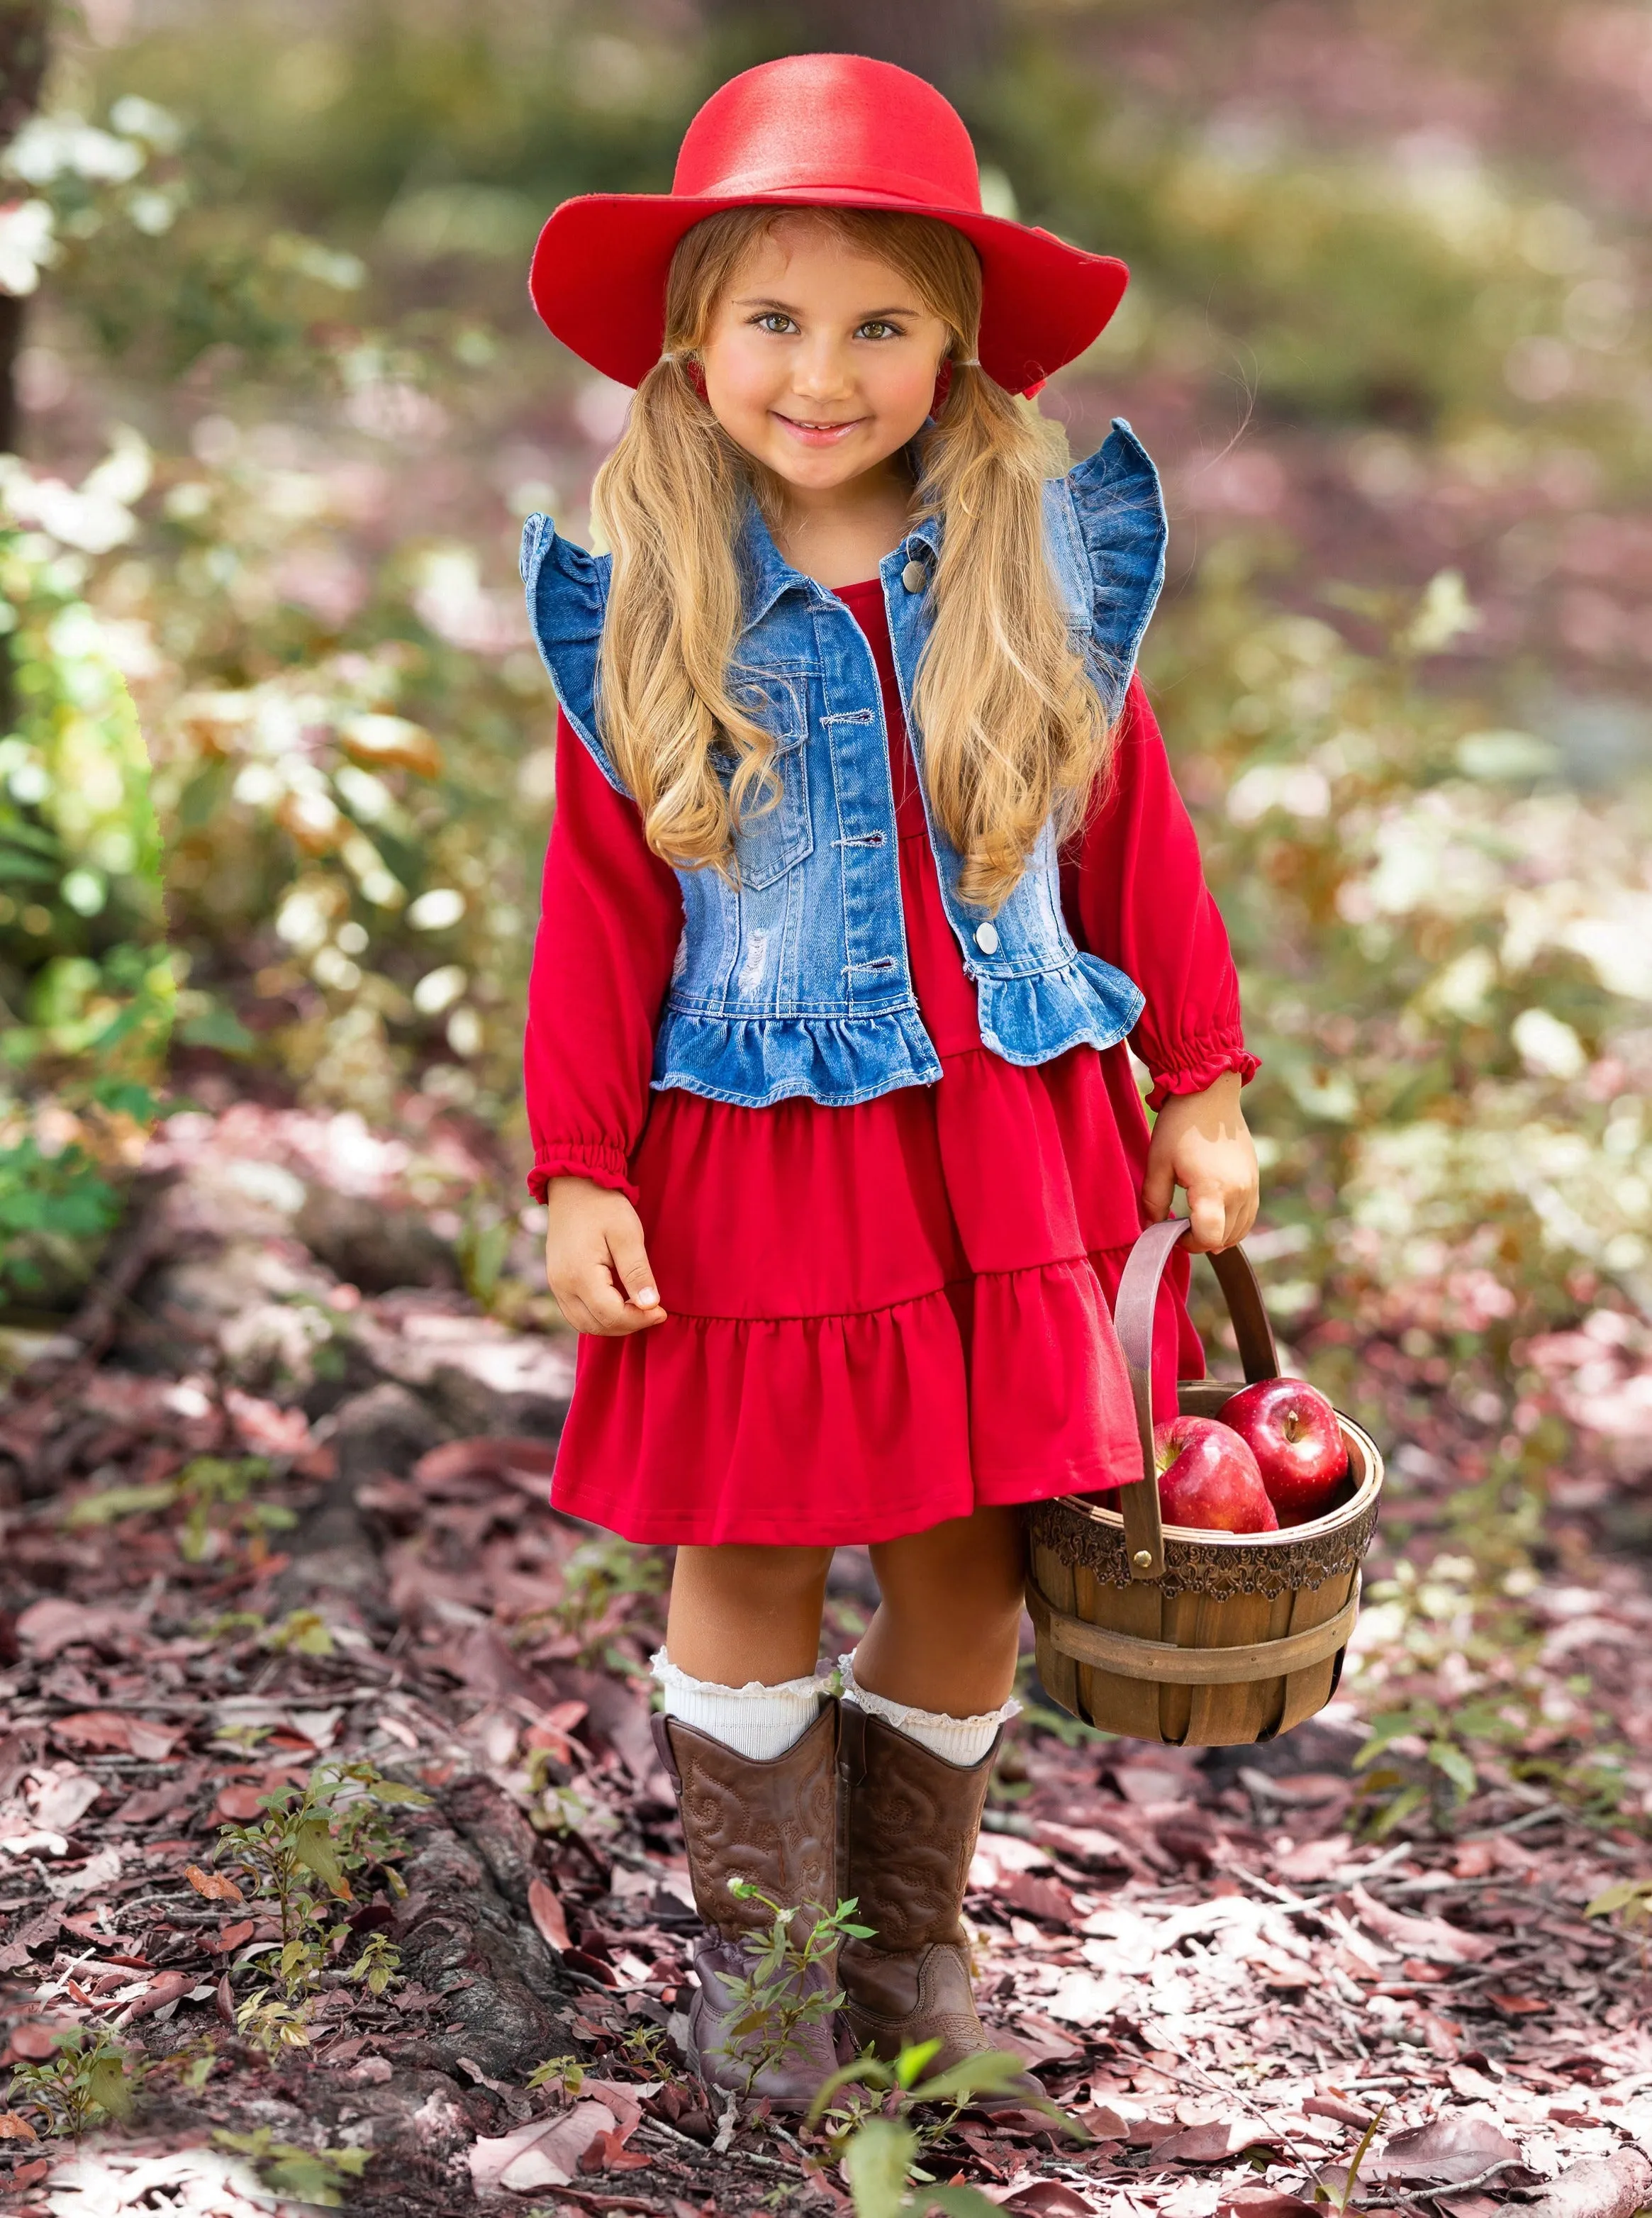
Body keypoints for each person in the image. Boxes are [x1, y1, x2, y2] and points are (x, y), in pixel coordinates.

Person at [519, 52, 1259, 2107]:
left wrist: (1197, 1079)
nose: (820, 370)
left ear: (954, 351)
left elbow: (1136, 838)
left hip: (1011, 1144)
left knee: (969, 1558)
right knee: (750, 1548)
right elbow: (600, 914)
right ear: (692, 346)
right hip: (756, 1155)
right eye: (773, 317)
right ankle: (767, 1981)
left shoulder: (1038, 576)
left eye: (877, 324)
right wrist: (582, 1169)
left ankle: (910, 1962)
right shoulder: (649, 613)